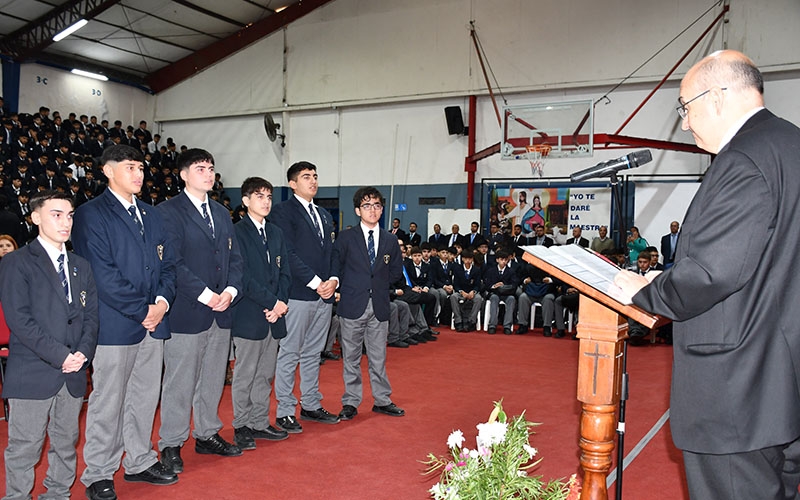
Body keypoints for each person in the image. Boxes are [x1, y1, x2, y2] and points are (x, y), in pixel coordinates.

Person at [614, 50, 800, 500]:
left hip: (739, 389)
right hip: (781, 381)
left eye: (685, 107)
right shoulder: (790, 143)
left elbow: (711, 273)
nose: (683, 123)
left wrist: (648, 291)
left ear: (717, 97)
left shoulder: (743, 160)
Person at [73, 145, 178, 500]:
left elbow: (168, 265)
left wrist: (162, 301)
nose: (139, 174)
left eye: (141, 168)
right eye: (130, 167)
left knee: (145, 397)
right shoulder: (91, 214)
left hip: (154, 320)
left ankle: (139, 461)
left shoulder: (152, 215)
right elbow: (102, 275)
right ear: (107, 170)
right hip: (117, 324)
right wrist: (143, 309)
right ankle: (99, 472)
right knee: (109, 400)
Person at [0, 191, 98, 500]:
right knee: (24, 446)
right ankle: (16, 496)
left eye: (69, 215)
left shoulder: (81, 265)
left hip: (72, 373)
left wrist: (82, 353)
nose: (65, 221)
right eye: (56, 214)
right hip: (32, 371)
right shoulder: (16, 263)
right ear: (36, 217)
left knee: (66, 442)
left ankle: (57, 493)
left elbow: (91, 317)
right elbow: (19, 320)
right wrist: (62, 356)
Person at [157, 148, 245, 474]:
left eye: (210, 168)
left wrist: (231, 291)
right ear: (183, 174)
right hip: (188, 310)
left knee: (212, 377)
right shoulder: (168, 212)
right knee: (180, 381)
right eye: (200, 168)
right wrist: (208, 294)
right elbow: (172, 263)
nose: (208, 174)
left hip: (221, 310)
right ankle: (171, 441)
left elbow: (235, 260)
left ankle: (207, 432)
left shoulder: (222, 214)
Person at [269, 161, 340, 433]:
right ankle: (285, 410)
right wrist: (316, 282)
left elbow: (333, 251)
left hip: (324, 295)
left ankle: (311, 404)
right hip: (299, 293)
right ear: (292, 183)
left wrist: (333, 280)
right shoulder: (283, 212)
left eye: (315, 176)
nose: (313, 181)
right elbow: (287, 253)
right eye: (306, 177)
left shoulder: (324, 214)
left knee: (313, 353)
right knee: (289, 353)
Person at [333, 186, 405, 421]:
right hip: (352, 304)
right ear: (357, 210)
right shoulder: (345, 237)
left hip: (380, 305)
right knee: (351, 357)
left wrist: (379, 286)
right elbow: (337, 269)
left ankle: (382, 400)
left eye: (376, 205)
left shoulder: (391, 240)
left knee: (378, 357)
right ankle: (351, 401)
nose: (372, 210)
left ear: (382, 209)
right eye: (367, 205)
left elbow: (395, 272)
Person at [229, 177, 291, 450]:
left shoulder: (276, 233)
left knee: (265, 373)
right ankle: (241, 425)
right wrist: (271, 302)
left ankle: (259, 421)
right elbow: (242, 277)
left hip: (274, 315)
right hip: (249, 314)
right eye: (259, 196)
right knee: (245, 374)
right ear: (245, 201)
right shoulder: (236, 232)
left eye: (268, 197)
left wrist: (280, 304)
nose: (265, 202)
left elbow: (284, 273)